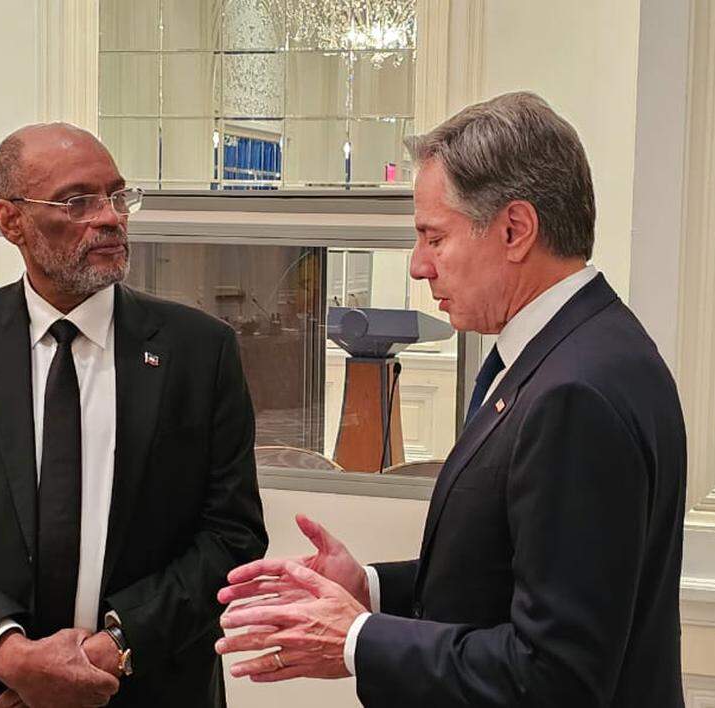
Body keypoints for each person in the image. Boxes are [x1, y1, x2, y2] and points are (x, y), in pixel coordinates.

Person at [215, 92, 687, 706]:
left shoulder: (575, 391)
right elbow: (509, 582)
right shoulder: (570, 347)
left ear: (515, 229)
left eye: (433, 237)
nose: (418, 266)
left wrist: (356, 639)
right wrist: (372, 591)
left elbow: (554, 677)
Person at [0, 122, 268, 708]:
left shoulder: (198, 350)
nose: (109, 217)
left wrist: (112, 647)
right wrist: (11, 656)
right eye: (76, 201)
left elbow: (232, 535)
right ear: (11, 221)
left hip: (145, 685)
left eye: (116, 195)